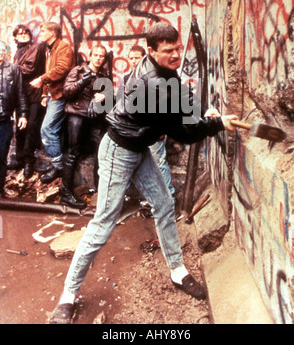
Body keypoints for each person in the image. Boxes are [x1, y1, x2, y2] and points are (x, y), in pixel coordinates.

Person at [50, 22, 238, 324]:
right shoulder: (153, 86)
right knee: (102, 225)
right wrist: (217, 123)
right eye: (169, 51)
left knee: (164, 206)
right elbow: (184, 133)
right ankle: (67, 296)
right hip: (118, 152)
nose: (176, 54)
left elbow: (179, 90)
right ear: (152, 51)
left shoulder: (157, 66)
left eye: (178, 48)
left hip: (140, 148)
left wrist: (204, 110)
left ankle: (177, 271)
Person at [61, 45, 111, 209]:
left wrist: (105, 96)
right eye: (95, 55)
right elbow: (67, 92)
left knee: (101, 153)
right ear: (90, 56)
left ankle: (99, 192)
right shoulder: (78, 70)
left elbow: (109, 100)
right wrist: (83, 81)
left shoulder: (103, 75)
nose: (98, 58)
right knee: (72, 153)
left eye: (101, 56)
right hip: (76, 115)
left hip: (94, 119)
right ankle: (66, 194)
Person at [126, 45, 176, 199]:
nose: (134, 61)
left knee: (158, 163)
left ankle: (169, 197)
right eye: (131, 58)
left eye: (137, 58)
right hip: (136, 129)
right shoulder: (129, 78)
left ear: (144, 58)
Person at [30, 22, 75, 184]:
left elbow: (62, 69)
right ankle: (58, 166)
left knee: (47, 129)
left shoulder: (63, 47)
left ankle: (59, 167)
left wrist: (41, 80)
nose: (39, 33)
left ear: (53, 33)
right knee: (55, 130)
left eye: (43, 31)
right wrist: (44, 94)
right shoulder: (49, 49)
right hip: (52, 95)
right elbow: (50, 72)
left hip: (61, 95)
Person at [7, 25, 46, 179]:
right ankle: (20, 159)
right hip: (20, 95)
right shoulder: (17, 52)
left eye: (26, 33)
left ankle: (29, 160)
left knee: (31, 127)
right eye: (19, 33)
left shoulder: (35, 48)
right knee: (20, 128)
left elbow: (30, 69)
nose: (23, 35)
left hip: (33, 93)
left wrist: (12, 68)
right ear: (15, 37)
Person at [0, 40, 27, 198]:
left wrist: (23, 114)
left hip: (4, 120)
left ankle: (0, 189)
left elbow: (20, 93)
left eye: (2, 50)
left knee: (2, 156)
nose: (0, 54)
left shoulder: (13, 69)